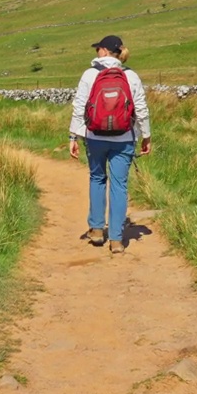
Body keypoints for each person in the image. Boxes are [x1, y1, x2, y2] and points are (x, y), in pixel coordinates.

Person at [68, 35, 151, 254]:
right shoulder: (131, 76)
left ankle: (96, 230)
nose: (96, 52)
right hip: (124, 138)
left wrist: (73, 137)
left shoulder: (90, 74)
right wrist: (146, 136)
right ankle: (116, 240)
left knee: (97, 178)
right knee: (119, 185)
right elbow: (141, 108)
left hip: (94, 137)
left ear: (104, 51)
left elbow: (79, 106)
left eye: (98, 49)